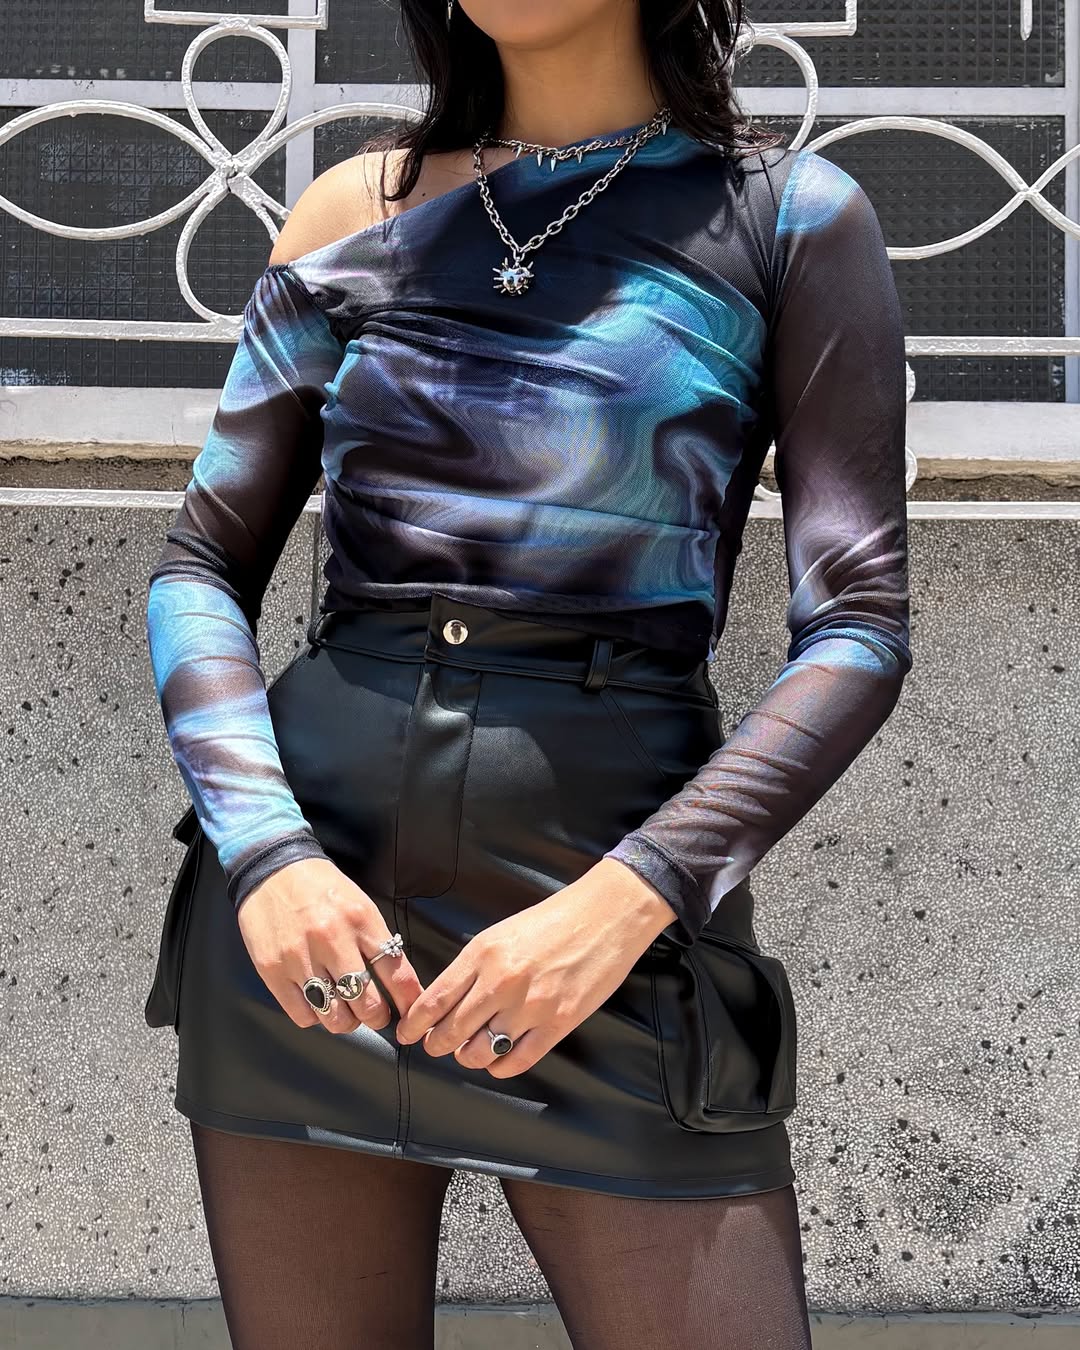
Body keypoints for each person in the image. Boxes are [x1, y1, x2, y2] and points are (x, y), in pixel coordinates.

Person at [143, 0, 912, 1345]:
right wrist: (266, 853)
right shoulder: (353, 208)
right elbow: (199, 565)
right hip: (317, 930)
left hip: (613, 916)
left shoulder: (786, 218)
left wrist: (630, 901)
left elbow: (858, 625)